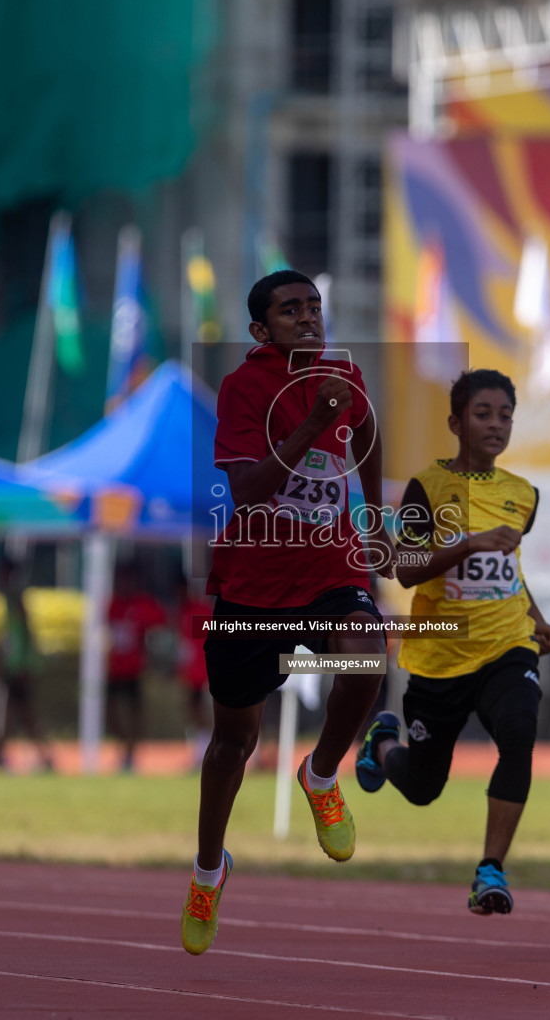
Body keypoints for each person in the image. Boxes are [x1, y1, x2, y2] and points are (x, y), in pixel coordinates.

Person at [183, 270, 391, 955]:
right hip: (253, 585)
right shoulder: (247, 389)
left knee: (368, 652)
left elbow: (368, 431)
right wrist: (311, 423)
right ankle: (209, 871)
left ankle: (322, 773)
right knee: (233, 745)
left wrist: (376, 516)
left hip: (331, 567)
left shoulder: (342, 376)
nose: (308, 318)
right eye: (290, 310)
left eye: (313, 307)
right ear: (261, 330)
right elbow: (247, 491)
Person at [355, 369, 550, 916]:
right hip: (441, 654)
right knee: (423, 787)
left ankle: (491, 869)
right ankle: (382, 744)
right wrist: (468, 544)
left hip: (506, 644)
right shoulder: (428, 487)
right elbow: (404, 570)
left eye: (505, 416)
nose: (496, 425)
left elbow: (507, 566)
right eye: (483, 414)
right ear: (455, 422)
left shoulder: (523, 495)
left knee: (519, 731)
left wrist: (536, 618)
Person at [0, 552, 55, 772]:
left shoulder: (14, 599)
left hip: (18, 667)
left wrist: (20, 665)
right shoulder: (8, 598)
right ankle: (1, 755)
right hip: (15, 665)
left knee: (19, 714)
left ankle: (39, 757)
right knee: (15, 713)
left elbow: (19, 637)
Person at [106, 563, 166, 772]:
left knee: (135, 713)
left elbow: (162, 623)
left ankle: (130, 753)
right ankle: (124, 746)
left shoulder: (142, 604)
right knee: (111, 713)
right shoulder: (112, 604)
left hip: (133, 669)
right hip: (114, 669)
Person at [175, 580, 213, 768]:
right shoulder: (184, 611)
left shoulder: (201, 610)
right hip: (193, 673)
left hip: (204, 672)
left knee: (204, 713)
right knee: (195, 712)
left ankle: (205, 752)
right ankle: (201, 751)